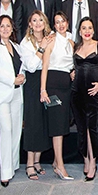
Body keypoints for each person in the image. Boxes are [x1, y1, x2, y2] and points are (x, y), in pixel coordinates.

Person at [0, 15, 25, 187]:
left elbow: (22, 66)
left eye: (8, 26)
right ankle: (5, 173)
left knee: (16, 132)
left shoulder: (16, 46)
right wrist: (12, 80)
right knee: (6, 130)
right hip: (1, 95)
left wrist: (22, 77)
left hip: (17, 94)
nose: (5, 29)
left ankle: (13, 165)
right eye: (2, 26)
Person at [72, 17, 98, 181]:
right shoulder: (76, 47)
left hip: (94, 93)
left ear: (93, 31)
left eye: (89, 28)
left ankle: (93, 161)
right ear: (80, 31)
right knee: (81, 128)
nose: (87, 31)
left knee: (91, 128)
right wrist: (71, 73)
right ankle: (85, 159)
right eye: (84, 28)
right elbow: (73, 66)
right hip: (77, 93)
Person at [18, 10, 54, 180]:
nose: (38, 23)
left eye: (41, 20)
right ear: (30, 24)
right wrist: (42, 48)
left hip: (47, 80)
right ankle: (29, 163)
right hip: (32, 83)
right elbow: (31, 66)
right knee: (32, 123)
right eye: (34, 20)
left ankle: (38, 161)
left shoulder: (50, 38)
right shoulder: (25, 42)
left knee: (43, 122)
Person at [40, 11, 75, 180]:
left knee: (63, 123)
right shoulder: (51, 40)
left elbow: (73, 64)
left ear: (67, 23)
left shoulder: (71, 42)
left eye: (63, 21)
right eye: (57, 22)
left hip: (66, 86)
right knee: (57, 127)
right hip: (53, 85)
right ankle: (60, 166)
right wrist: (43, 89)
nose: (61, 25)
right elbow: (45, 65)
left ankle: (55, 161)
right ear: (54, 25)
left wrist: (73, 72)